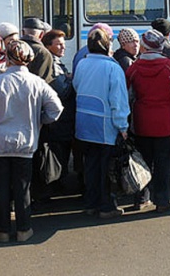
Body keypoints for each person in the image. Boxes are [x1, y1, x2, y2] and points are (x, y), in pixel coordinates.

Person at [0, 40, 63, 243]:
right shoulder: (38, 83)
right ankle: (24, 229)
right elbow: (56, 109)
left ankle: (2, 230)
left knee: (0, 188)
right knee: (23, 188)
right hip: (25, 144)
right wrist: (40, 120)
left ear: (8, 57)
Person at [126, 29, 170, 213]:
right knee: (162, 163)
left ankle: (141, 198)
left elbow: (128, 94)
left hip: (141, 121)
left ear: (144, 46)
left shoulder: (134, 67)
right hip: (166, 123)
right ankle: (162, 200)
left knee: (142, 162)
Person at [73, 28, 130, 219]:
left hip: (83, 122)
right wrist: (123, 126)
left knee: (90, 165)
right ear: (108, 46)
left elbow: (76, 86)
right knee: (106, 169)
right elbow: (118, 100)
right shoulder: (113, 68)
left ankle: (91, 203)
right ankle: (106, 206)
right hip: (104, 124)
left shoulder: (82, 63)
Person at [38, 29, 76, 196]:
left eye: (64, 44)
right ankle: (55, 187)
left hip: (60, 120)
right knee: (59, 153)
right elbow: (62, 91)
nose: (63, 48)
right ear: (48, 46)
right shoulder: (53, 63)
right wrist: (70, 80)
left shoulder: (56, 61)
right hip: (60, 119)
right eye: (59, 44)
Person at [21, 18, 55, 83]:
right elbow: (44, 80)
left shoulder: (12, 48)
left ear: (22, 32)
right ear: (42, 34)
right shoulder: (44, 53)